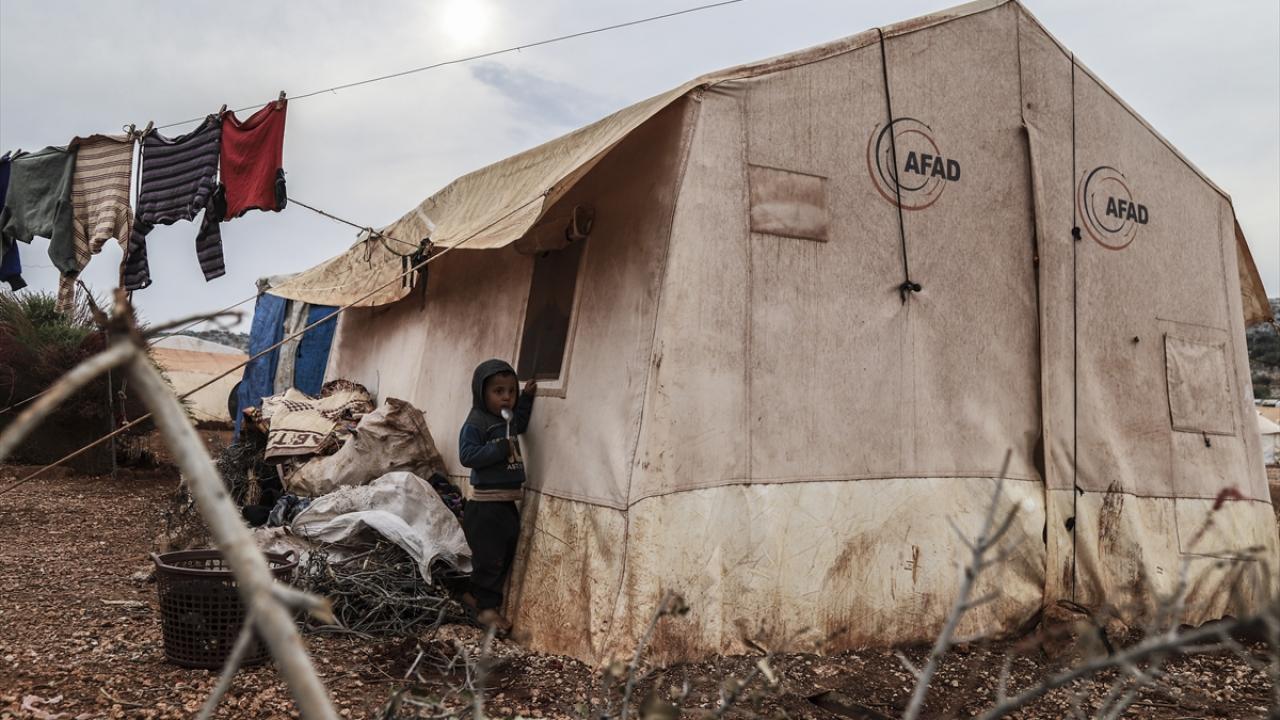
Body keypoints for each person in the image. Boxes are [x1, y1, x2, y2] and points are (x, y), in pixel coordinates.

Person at [458, 358, 536, 631]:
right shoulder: (477, 422)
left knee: (503, 552)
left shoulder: (507, 419)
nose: (506, 398)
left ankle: (472, 597)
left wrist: (525, 399)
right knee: (491, 559)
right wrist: (497, 450)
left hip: (504, 502)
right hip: (486, 505)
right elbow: (466, 456)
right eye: (498, 391)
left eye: (511, 391)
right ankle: (487, 611)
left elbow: (521, 424)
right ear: (481, 392)